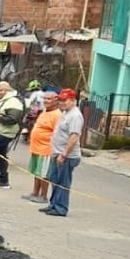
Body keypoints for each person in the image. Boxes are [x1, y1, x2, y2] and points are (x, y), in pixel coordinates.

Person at [42, 88, 84, 217]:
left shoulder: (75, 115)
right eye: (60, 100)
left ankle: (61, 208)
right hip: (58, 153)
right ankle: (53, 204)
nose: (62, 102)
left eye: (65, 100)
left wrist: (64, 154)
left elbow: (74, 137)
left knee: (63, 182)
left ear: (73, 101)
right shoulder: (65, 113)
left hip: (67, 155)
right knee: (55, 179)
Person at [23, 90, 61, 204]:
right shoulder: (44, 111)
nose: (45, 101)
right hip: (37, 147)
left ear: (56, 100)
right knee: (37, 172)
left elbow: (57, 133)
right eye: (44, 98)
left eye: (49, 99)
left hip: (46, 149)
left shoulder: (57, 114)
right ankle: (35, 192)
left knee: (44, 174)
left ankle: (43, 195)